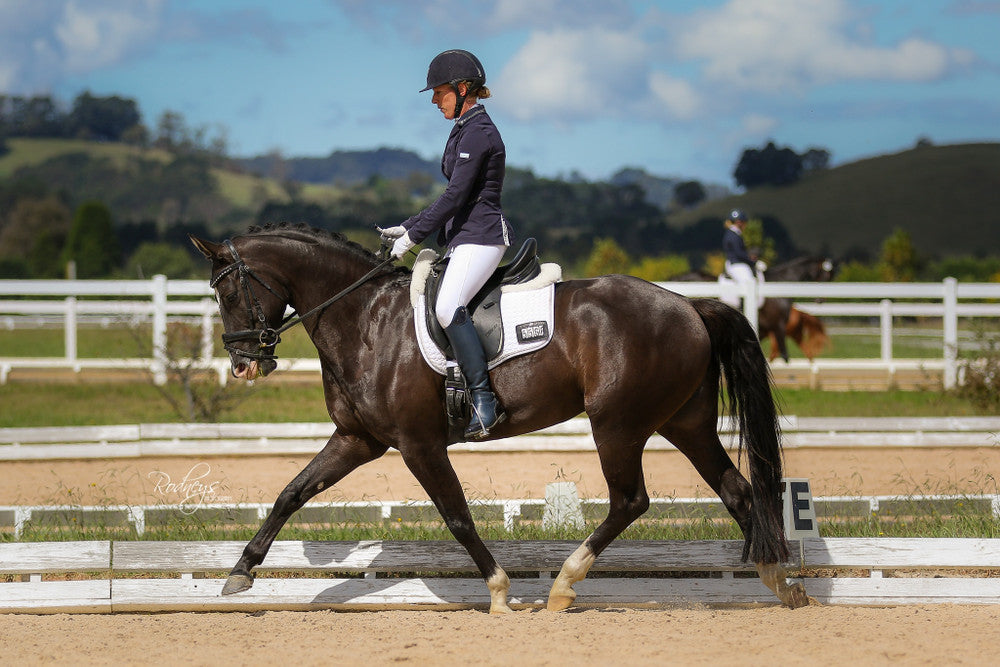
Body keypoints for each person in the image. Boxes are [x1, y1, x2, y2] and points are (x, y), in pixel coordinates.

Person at [379, 49, 512, 440]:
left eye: (439, 92)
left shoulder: (479, 132)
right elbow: (450, 199)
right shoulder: (463, 129)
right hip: (463, 237)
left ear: (462, 88)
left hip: (482, 236)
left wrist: (412, 238)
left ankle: (484, 401)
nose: (435, 100)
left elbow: (455, 197)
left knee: (447, 306)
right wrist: (405, 225)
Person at [720, 209, 762, 309]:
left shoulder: (733, 234)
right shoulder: (733, 235)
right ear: (740, 222)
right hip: (737, 265)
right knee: (749, 283)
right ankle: (745, 309)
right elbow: (739, 253)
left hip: (737, 263)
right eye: (744, 222)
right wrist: (752, 261)